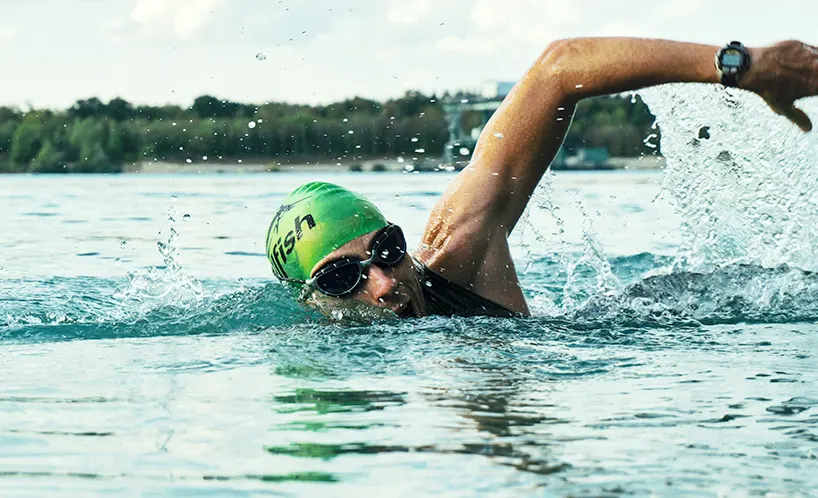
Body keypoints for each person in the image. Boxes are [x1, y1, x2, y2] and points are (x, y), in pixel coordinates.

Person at [266, 37, 818, 319]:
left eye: (386, 250)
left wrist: (741, 66)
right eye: (343, 280)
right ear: (309, 300)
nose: (383, 284)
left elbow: (559, 68)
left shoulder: (458, 251)